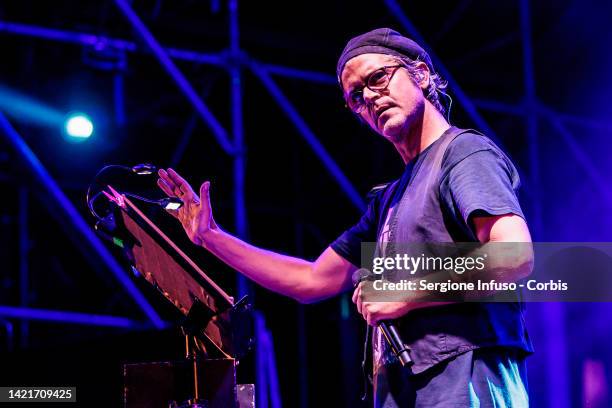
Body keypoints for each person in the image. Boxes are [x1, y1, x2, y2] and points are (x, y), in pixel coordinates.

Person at [157, 28, 534, 407]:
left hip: (464, 384)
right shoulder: (389, 199)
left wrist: (406, 292)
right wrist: (209, 236)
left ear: (419, 74)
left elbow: (513, 256)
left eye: (378, 79)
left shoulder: (463, 153)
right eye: (356, 96)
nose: (370, 97)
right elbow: (311, 280)